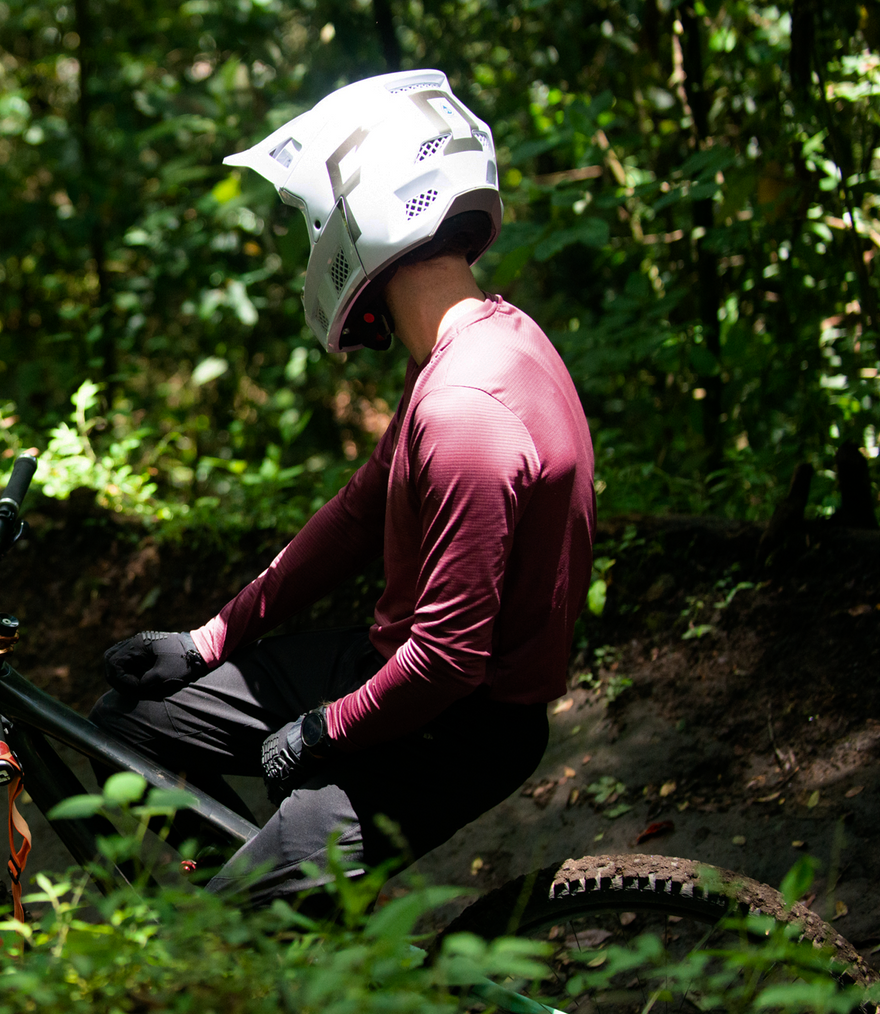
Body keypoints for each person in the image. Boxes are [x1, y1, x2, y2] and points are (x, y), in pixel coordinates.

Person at [91, 68, 595, 906]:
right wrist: (208, 638)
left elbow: (449, 659)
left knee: (225, 943)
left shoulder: (467, 407)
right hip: (388, 667)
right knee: (126, 726)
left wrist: (325, 731)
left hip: (454, 725)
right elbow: (362, 510)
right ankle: (261, 893)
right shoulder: (475, 342)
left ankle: (252, 928)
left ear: (352, 220)